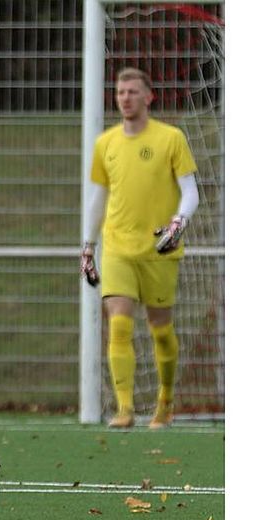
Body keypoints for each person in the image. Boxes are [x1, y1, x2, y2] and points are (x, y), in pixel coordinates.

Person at [81, 67, 200, 429]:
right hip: (117, 246)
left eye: (133, 92)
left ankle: (165, 401)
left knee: (160, 330)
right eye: (120, 92)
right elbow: (98, 198)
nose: (125, 98)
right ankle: (125, 409)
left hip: (159, 248)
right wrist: (88, 246)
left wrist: (178, 222)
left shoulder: (171, 138)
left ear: (149, 96)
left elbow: (190, 190)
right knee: (118, 324)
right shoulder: (106, 144)